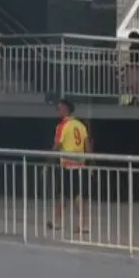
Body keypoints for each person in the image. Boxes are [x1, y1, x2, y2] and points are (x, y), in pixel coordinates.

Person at [49, 99, 90, 233]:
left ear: (66, 109)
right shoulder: (81, 125)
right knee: (77, 195)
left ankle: (57, 222)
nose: (58, 111)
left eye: (59, 108)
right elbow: (87, 146)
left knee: (63, 194)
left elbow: (57, 145)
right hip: (80, 164)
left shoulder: (62, 126)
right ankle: (82, 224)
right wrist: (88, 161)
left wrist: (48, 158)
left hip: (67, 165)